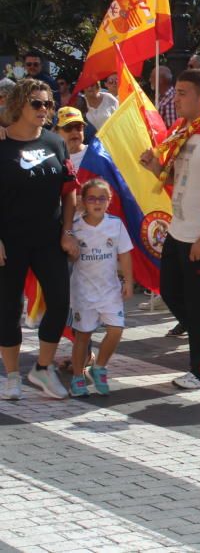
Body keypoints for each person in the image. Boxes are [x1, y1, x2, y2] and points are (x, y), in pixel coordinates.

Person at [138, 69, 200, 389]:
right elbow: (175, 179)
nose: (176, 98)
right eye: (177, 92)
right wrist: (154, 165)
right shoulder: (184, 130)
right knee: (170, 291)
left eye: (182, 93)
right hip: (178, 229)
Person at [0, 79, 79, 400]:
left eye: (48, 104)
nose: (44, 110)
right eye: (37, 103)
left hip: (49, 239)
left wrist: (68, 231)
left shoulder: (55, 143)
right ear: (19, 104)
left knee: (60, 302)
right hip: (10, 241)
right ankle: (12, 375)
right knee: (8, 309)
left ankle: (42, 369)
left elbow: (70, 191)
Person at [67, 178, 134, 397]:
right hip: (82, 291)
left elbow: (124, 253)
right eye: (92, 198)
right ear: (83, 202)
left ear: (109, 201)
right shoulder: (75, 226)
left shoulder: (115, 224)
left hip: (109, 291)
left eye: (102, 198)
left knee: (116, 330)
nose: (97, 203)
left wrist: (128, 282)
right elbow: (66, 250)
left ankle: (100, 367)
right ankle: (78, 376)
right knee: (83, 336)